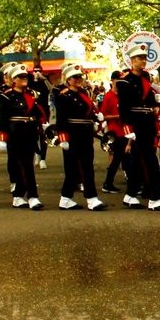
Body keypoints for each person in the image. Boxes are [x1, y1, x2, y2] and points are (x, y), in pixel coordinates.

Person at [117, 43, 160, 210]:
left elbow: (149, 101)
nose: (143, 61)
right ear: (132, 61)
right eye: (139, 59)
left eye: (144, 58)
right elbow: (124, 109)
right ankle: (154, 198)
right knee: (150, 161)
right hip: (136, 124)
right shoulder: (124, 82)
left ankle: (131, 195)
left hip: (147, 122)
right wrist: (128, 130)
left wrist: (157, 102)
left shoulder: (146, 78)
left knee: (139, 163)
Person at [53, 63, 107, 211]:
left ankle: (69, 198)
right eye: (74, 77)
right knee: (74, 168)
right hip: (72, 134)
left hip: (85, 133)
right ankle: (87, 198)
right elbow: (61, 118)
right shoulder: (63, 95)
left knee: (85, 166)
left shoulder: (84, 93)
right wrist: (63, 138)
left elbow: (87, 112)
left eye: (79, 77)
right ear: (68, 79)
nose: (78, 80)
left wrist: (96, 119)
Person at [0, 64, 46, 210]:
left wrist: (43, 123)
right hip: (15, 133)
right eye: (21, 77)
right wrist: (2, 138)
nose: (24, 79)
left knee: (25, 165)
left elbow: (38, 110)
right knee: (23, 166)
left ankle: (18, 196)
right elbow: (3, 118)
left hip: (29, 133)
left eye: (25, 76)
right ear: (14, 79)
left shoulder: (32, 95)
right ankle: (32, 196)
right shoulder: (7, 96)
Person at [99, 70, 126, 193]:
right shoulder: (109, 96)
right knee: (118, 158)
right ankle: (107, 183)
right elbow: (103, 115)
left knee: (123, 158)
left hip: (125, 130)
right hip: (115, 132)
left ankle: (109, 182)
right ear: (113, 81)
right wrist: (117, 117)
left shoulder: (124, 95)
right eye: (118, 80)